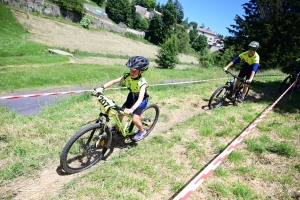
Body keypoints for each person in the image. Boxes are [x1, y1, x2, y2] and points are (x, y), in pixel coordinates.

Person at [94, 56, 150, 141]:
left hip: (141, 101)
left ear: (141, 71)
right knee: (120, 113)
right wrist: (102, 88)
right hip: (131, 97)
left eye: (134, 71)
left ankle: (142, 131)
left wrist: (132, 109)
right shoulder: (127, 76)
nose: (131, 72)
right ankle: (117, 128)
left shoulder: (142, 83)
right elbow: (114, 81)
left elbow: (140, 98)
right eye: (130, 69)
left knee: (135, 119)